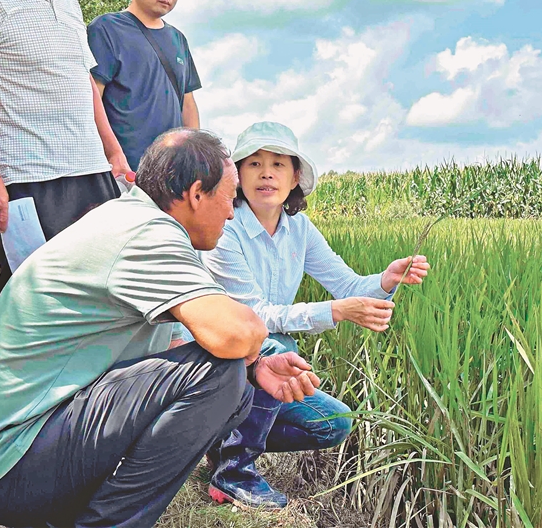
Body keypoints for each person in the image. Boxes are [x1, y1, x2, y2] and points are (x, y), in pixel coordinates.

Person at [0, 129, 320, 528]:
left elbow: (183, 340)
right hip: (13, 459)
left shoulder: (129, 217)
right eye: (228, 196)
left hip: (27, 446)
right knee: (218, 375)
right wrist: (248, 352)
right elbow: (236, 333)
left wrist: (255, 368)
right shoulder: (146, 233)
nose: (232, 212)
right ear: (196, 193)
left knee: (235, 383)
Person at [180, 121, 430, 508]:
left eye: (279, 164)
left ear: (295, 176)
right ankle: (235, 471)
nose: (267, 173)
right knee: (275, 343)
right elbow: (255, 315)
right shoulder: (226, 228)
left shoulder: (299, 228)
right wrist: (335, 312)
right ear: (238, 175)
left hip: (258, 362)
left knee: (335, 422)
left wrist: (385, 280)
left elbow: (346, 285)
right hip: (218, 357)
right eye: (255, 164)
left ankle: (219, 443)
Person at [0, 0, 131, 293]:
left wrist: (113, 151)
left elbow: (82, 77)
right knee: (33, 304)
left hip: (92, 174)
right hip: (29, 180)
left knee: (102, 298)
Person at [87, 0, 202, 171]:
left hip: (172, 172)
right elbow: (92, 98)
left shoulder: (179, 40)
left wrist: (194, 157)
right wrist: (109, 156)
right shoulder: (106, 29)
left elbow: (188, 104)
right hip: (124, 171)